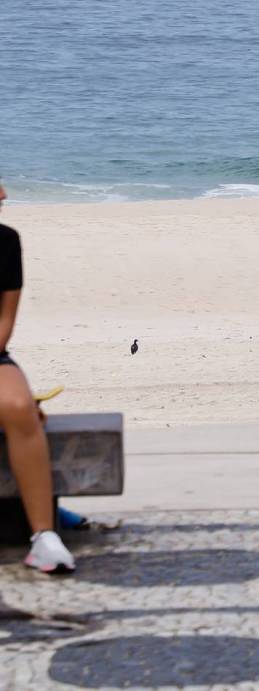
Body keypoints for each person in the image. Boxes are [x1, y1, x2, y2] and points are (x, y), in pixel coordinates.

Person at [0, 182, 75, 573]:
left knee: (19, 407)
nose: (4, 194)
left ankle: (44, 536)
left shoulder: (6, 241)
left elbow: (4, 321)